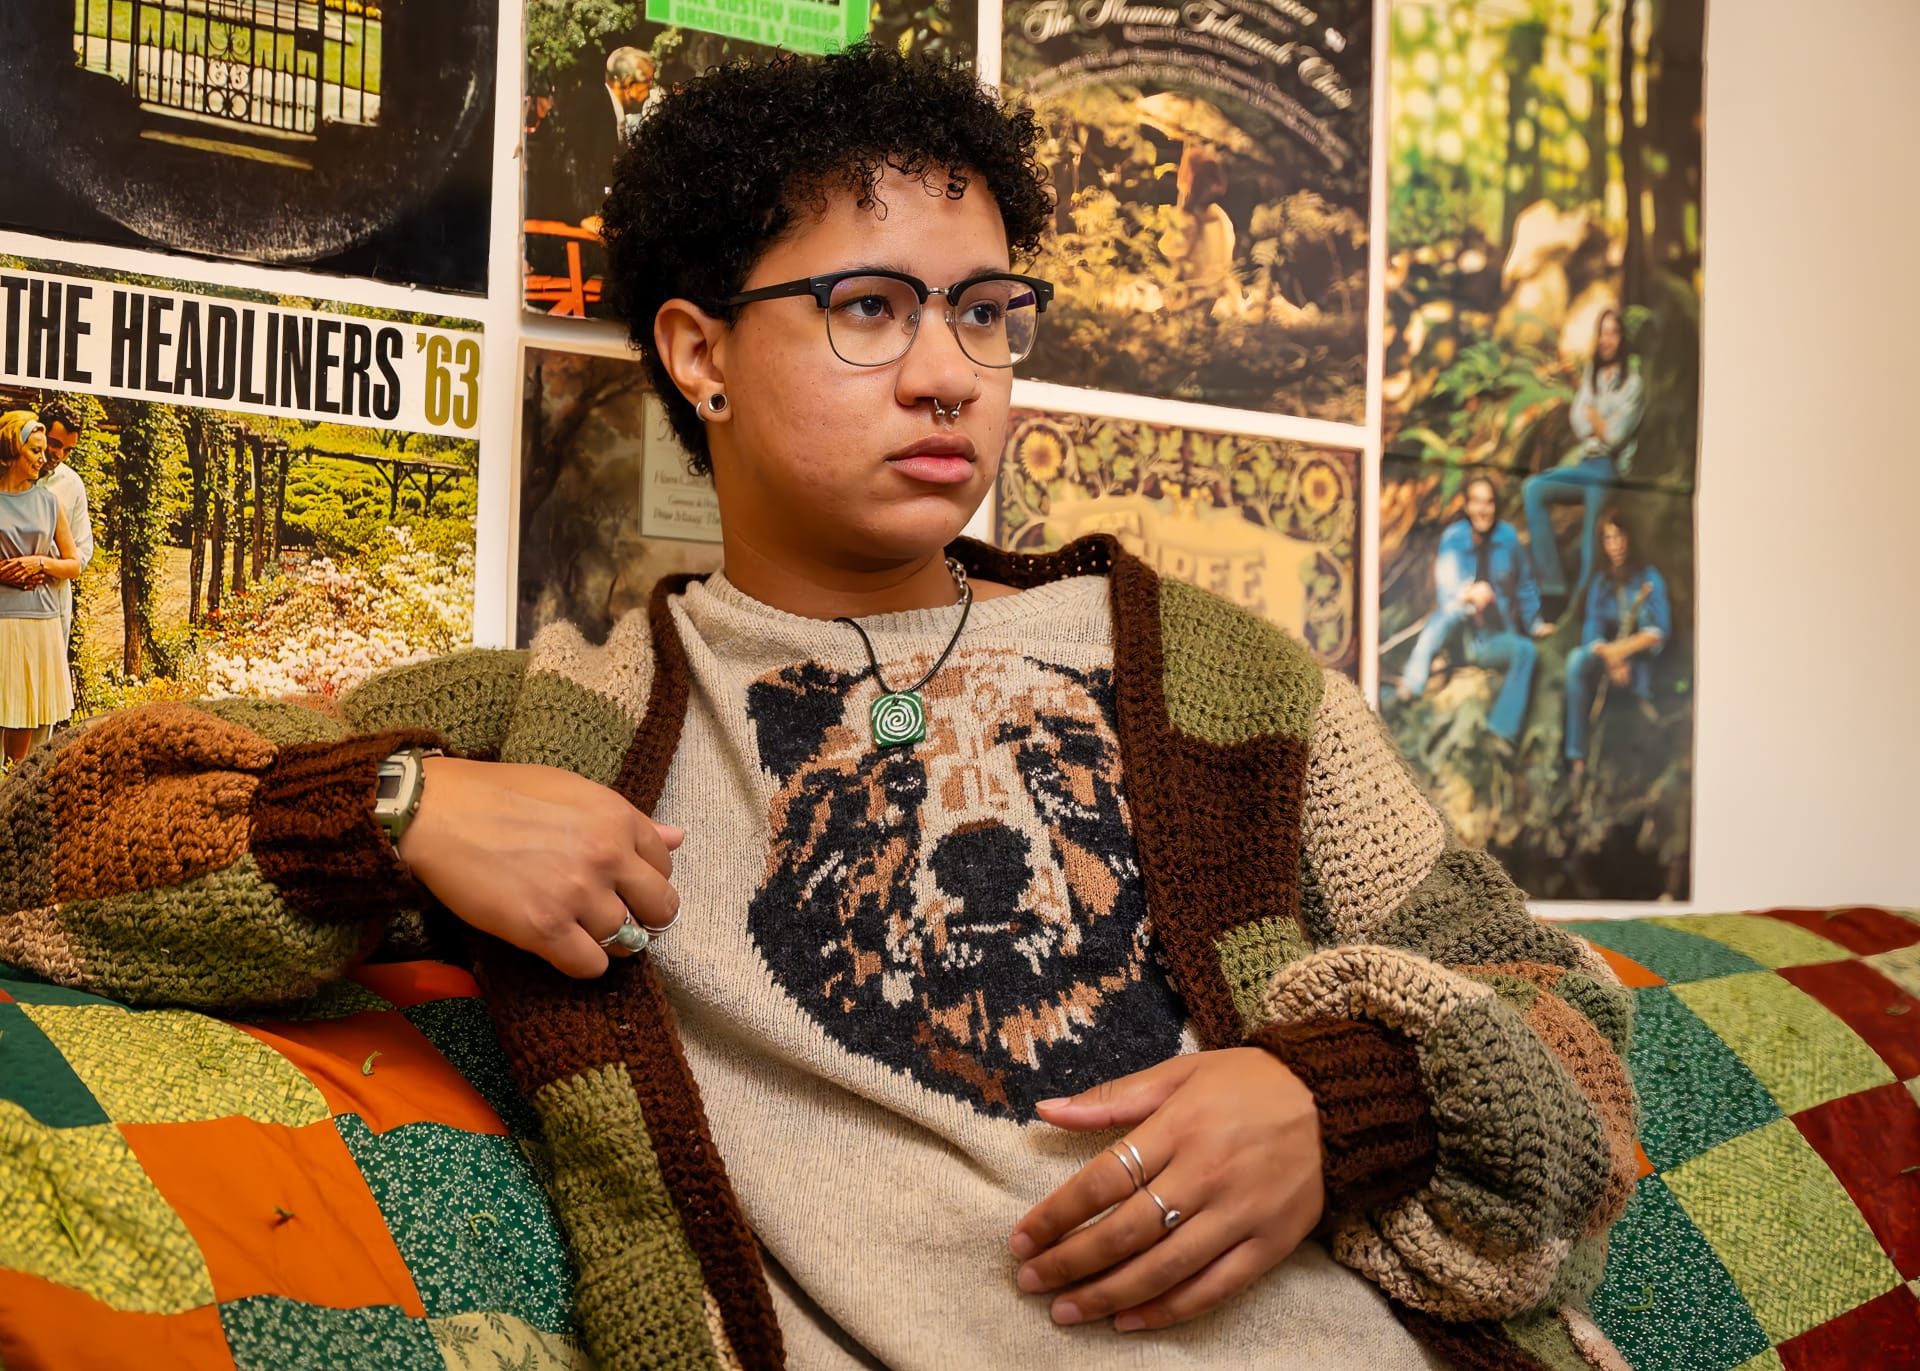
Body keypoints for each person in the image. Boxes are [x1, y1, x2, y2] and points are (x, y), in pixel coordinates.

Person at [0, 48, 1635, 1371]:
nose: (952, 374)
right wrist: (401, 813)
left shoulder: (1226, 685)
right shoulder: (566, 713)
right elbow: (46, 840)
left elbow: (1575, 1040)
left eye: (988, 313)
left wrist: (1338, 1102)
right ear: (701, 354)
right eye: (870, 307)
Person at [1397, 475, 1553, 745]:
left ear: (1496, 506)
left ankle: (1501, 731)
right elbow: (1446, 596)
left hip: (1491, 639)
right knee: (1448, 613)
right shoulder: (1453, 538)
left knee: (1526, 651)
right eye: (1477, 502)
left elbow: (1525, 586)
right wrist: (1468, 594)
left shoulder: (1508, 538)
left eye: (1489, 502)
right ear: (1467, 506)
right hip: (1461, 635)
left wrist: (1536, 624)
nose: (1483, 509)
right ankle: (1412, 683)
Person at [1522, 309, 1646, 602]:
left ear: (1622, 338)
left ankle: (1583, 601)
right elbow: (1578, 422)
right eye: (1602, 333)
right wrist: (1601, 421)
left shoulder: (1633, 383)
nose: (1607, 340)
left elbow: (1615, 438)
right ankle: (1553, 588)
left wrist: (1595, 417)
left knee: (1592, 535)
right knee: (1533, 489)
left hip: (1608, 470)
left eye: (1613, 333)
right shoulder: (1592, 375)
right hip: (1584, 463)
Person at [1564, 507, 1671, 795]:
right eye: (1609, 538)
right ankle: (1577, 760)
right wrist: (1609, 658)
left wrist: (1620, 653)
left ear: (1630, 539)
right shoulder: (1601, 582)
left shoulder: (1649, 577)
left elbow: (1658, 631)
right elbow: (1592, 630)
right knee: (1576, 661)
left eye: (1620, 536)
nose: (1616, 545)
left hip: (1638, 665)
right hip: (1606, 663)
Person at [0, 410, 81, 765]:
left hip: (40, 622)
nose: (44, 459)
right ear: (12, 453)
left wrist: (40, 564)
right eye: (35, 451)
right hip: (3, 619)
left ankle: (10, 795)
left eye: (43, 451)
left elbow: (74, 564)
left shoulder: (51, 502)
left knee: (24, 717)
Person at [34, 399, 93, 658]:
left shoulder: (71, 484)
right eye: (55, 444)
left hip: (54, 594)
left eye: (68, 450)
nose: (59, 455)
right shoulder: (8, 475)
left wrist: (50, 565)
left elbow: (83, 550)